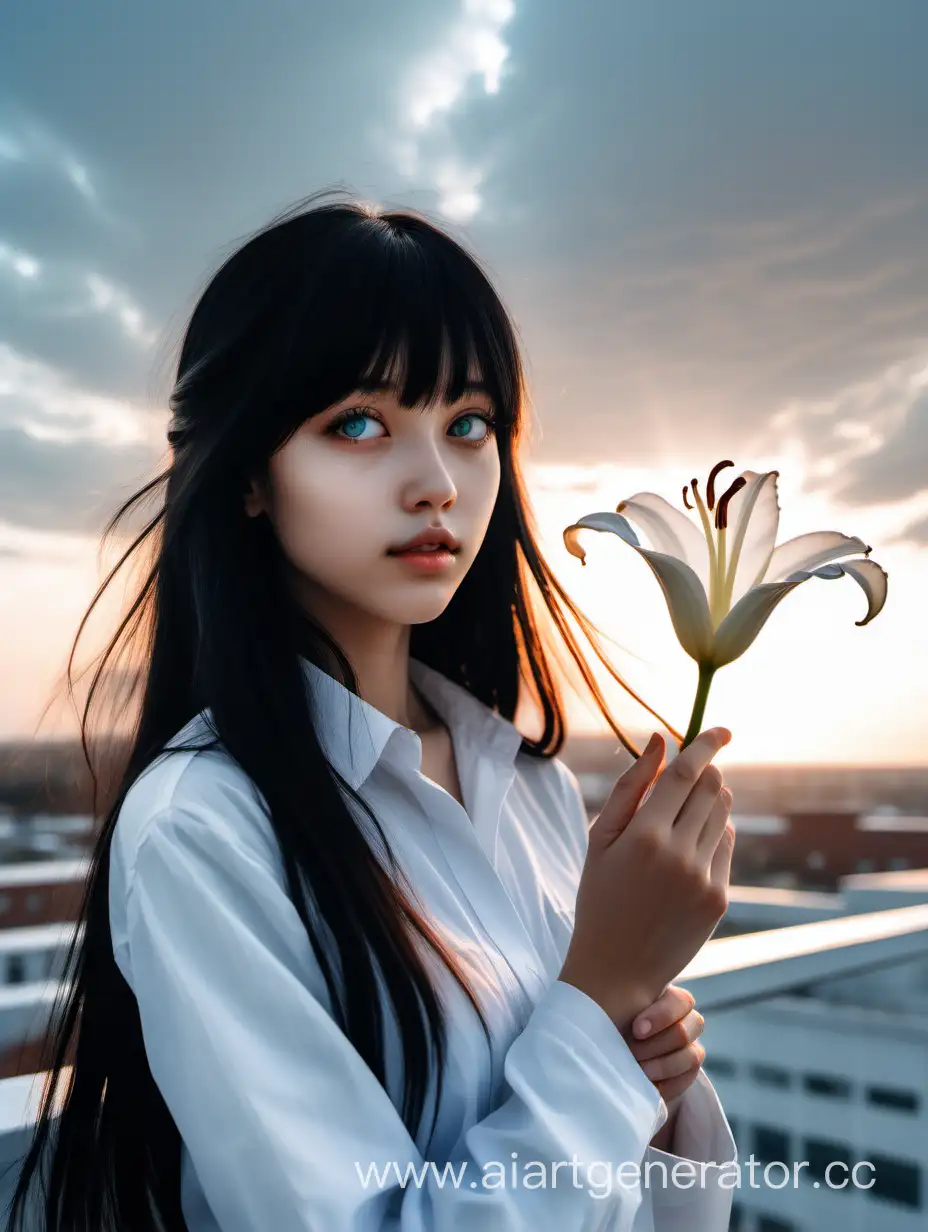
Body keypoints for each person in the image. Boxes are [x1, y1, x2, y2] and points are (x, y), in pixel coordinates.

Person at [4, 189, 738, 1231]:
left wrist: (644, 1085)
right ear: (251, 474)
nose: (436, 480)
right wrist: (596, 996)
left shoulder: (523, 780)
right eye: (358, 423)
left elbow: (667, 1213)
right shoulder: (201, 828)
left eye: (469, 422)